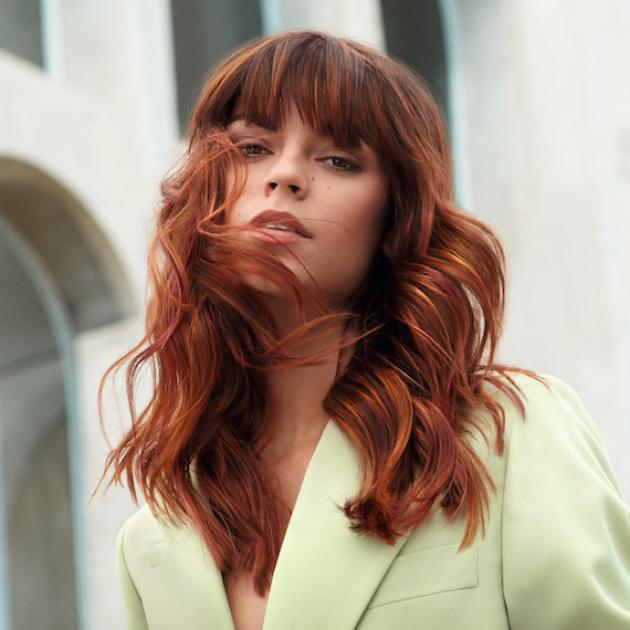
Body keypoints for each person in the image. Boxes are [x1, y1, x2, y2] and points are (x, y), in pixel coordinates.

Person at [95, 29, 630, 629]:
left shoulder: (508, 437)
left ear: (394, 217)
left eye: (339, 160)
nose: (286, 175)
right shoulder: (154, 540)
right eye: (251, 149)